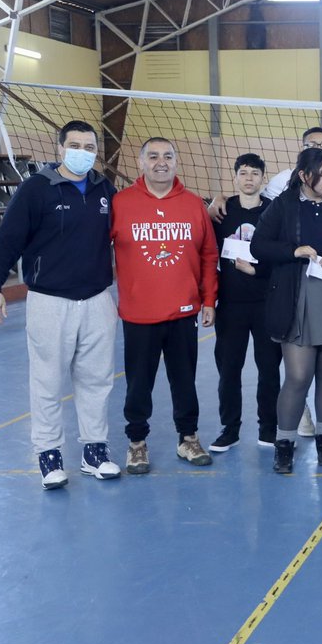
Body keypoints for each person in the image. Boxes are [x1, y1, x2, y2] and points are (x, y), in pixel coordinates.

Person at [0, 120, 121, 489]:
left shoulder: (104, 188)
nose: (82, 152)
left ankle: (95, 451)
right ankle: (49, 455)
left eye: (89, 147)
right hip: (49, 300)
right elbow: (8, 239)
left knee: (97, 380)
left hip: (97, 300)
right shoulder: (35, 190)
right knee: (47, 381)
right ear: (61, 148)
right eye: (75, 145)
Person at [250, 147, 322, 474]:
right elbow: (258, 245)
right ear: (304, 176)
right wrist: (293, 250)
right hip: (296, 297)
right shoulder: (284, 205)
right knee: (298, 375)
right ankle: (284, 444)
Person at [110, 137, 218, 474]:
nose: (161, 162)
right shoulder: (121, 203)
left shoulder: (193, 205)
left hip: (183, 313)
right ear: (141, 163)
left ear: (176, 161)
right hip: (139, 316)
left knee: (184, 382)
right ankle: (137, 444)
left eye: (168, 156)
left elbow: (208, 254)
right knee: (138, 384)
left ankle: (188, 438)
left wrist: (209, 299)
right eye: (153, 156)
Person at [209, 153, 283, 452]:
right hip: (231, 304)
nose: (249, 178)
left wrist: (258, 271)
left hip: (266, 302)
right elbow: (208, 254)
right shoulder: (222, 213)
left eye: (254, 173)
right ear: (235, 177)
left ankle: (269, 428)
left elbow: (281, 254)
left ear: (263, 178)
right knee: (229, 369)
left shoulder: (274, 212)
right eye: (243, 172)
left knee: (268, 369)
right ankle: (230, 429)